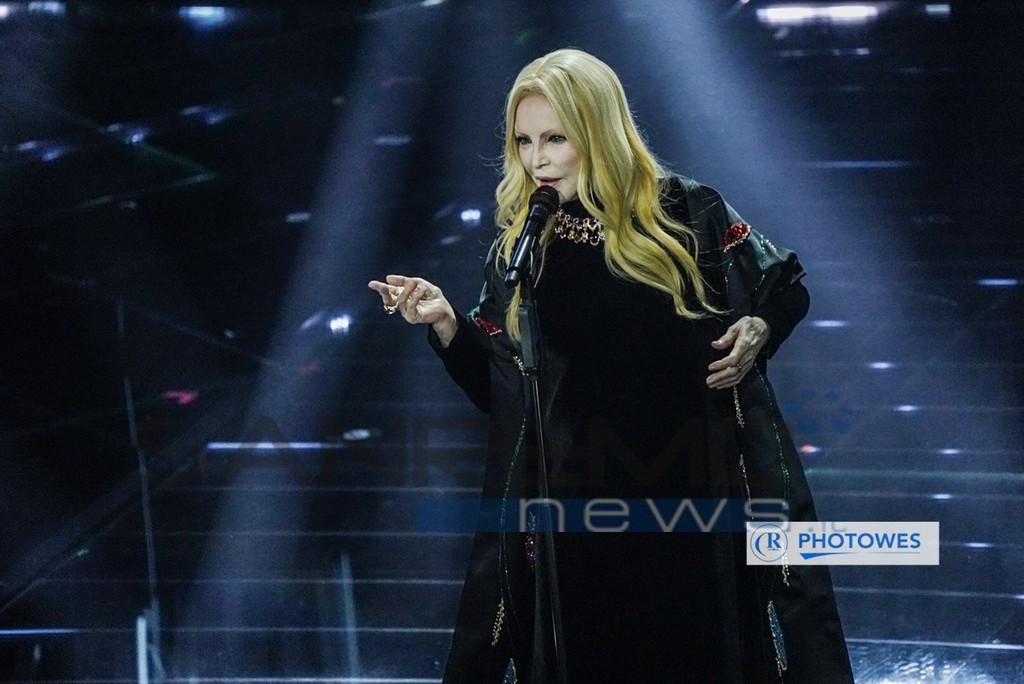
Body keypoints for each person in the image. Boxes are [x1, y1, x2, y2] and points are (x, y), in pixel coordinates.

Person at [369, 48, 852, 683]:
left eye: (555, 138)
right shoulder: (523, 247)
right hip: (579, 516)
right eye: (523, 141)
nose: (537, 159)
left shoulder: (688, 211)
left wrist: (759, 329)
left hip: (696, 503)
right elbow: (503, 390)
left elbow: (785, 289)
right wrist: (446, 324)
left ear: (597, 130)